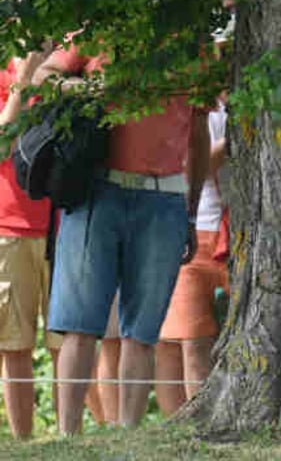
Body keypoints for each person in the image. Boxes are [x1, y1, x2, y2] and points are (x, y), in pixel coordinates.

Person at [48, 47, 211, 433]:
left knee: (143, 330)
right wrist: (86, 88)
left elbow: (199, 134)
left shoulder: (195, 45)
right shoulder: (104, 26)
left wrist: (191, 211)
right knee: (80, 324)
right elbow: (43, 77)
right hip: (96, 191)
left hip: (164, 196)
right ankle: (67, 436)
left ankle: (128, 435)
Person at [154, 98, 228, 415]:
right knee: (190, 340)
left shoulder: (249, 103)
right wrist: (232, 140)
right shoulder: (182, 105)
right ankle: (190, 425)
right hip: (193, 233)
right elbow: (189, 168)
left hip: (236, 235)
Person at [0, 47, 59, 439]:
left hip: (64, 225)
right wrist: (24, 78)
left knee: (68, 344)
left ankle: (73, 440)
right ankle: (24, 446)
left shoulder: (67, 66)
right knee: (15, 346)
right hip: (10, 229)